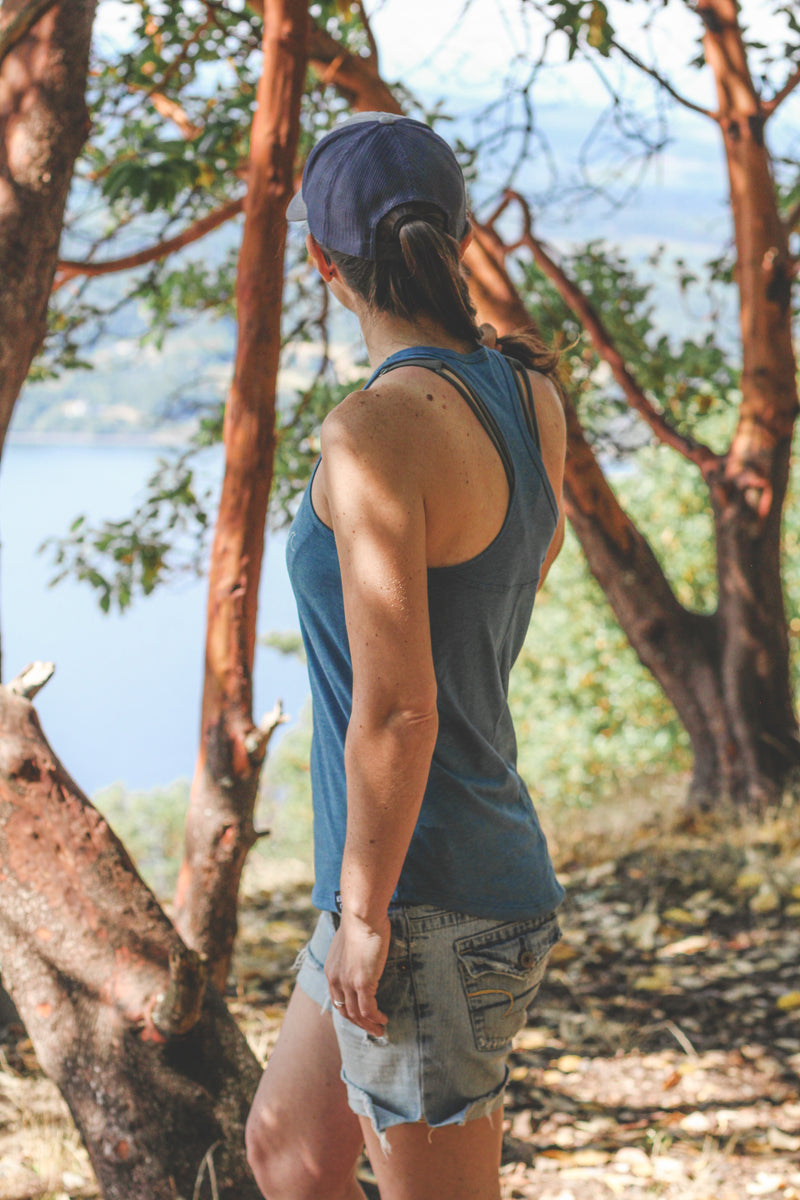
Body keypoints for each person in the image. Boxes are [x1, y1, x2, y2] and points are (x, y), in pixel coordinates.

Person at [245, 112, 567, 1200]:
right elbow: (516, 582)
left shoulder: (372, 430)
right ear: (458, 231)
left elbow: (398, 712)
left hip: (417, 902)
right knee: (290, 1154)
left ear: (323, 263)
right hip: (421, 878)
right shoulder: (528, 393)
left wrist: (370, 916)